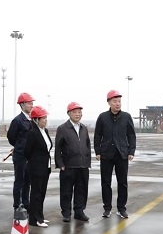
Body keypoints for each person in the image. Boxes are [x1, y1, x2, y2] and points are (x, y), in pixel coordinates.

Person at [94, 90, 136, 219]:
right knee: (106, 182)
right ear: (109, 103)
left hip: (122, 154)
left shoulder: (126, 117)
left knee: (122, 183)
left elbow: (131, 135)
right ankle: (107, 208)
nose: (117, 104)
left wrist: (131, 151)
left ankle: (121, 209)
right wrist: (97, 151)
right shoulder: (102, 117)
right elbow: (97, 135)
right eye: (115, 101)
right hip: (106, 154)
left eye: (119, 101)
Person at [54, 102, 91, 222]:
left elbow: (87, 145)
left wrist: (87, 162)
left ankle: (79, 211)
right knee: (66, 191)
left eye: (79, 112)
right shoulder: (62, 128)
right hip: (68, 166)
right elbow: (58, 148)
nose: (77, 114)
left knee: (81, 190)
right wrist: (60, 164)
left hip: (83, 166)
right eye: (75, 112)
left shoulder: (84, 128)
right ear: (69, 113)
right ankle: (66, 213)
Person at [24, 106, 52, 227]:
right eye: (43, 118)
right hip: (36, 168)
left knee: (42, 192)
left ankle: (40, 216)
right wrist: (35, 161)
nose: (45, 120)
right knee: (35, 193)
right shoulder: (32, 133)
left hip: (46, 167)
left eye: (46, 118)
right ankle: (34, 219)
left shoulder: (45, 131)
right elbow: (27, 151)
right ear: (36, 120)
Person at [7, 92, 34, 209]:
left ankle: (26, 205)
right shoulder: (17, 120)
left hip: (30, 156)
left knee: (28, 182)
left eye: (32, 103)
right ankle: (17, 206)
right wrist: (19, 146)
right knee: (19, 181)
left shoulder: (33, 120)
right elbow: (11, 137)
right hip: (20, 156)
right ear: (22, 105)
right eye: (29, 103)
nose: (31, 105)